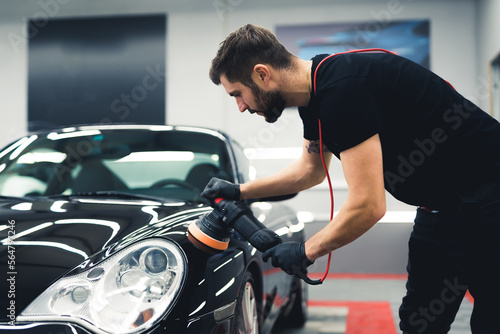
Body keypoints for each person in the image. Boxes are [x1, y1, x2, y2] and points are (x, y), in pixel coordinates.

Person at [201, 23, 500, 333]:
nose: (240, 107)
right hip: (438, 208)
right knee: (420, 321)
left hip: (489, 201)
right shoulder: (314, 96)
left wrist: (306, 251)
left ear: (262, 74)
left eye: (238, 93)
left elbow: (369, 205)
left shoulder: (343, 89)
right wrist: (240, 191)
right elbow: (309, 171)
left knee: (492, 319)